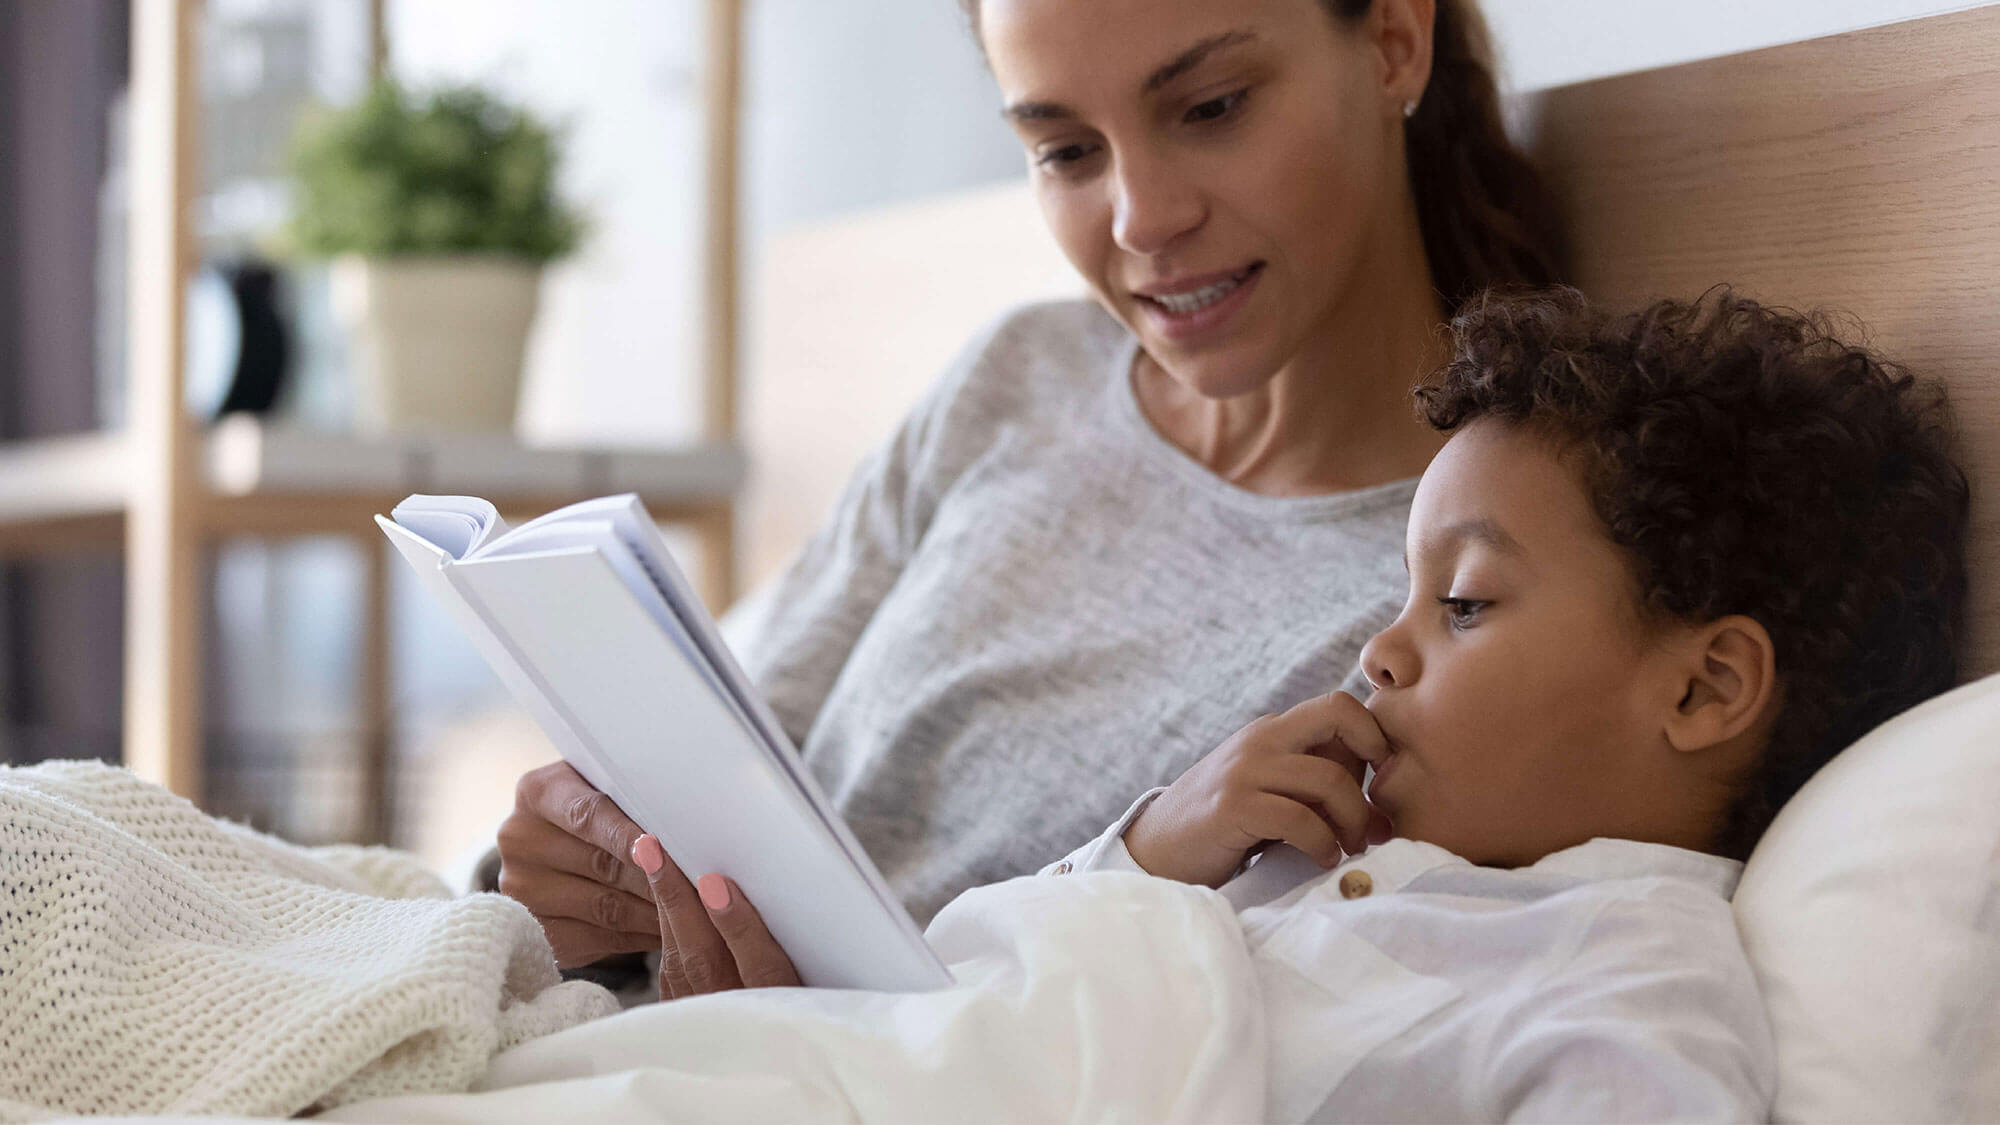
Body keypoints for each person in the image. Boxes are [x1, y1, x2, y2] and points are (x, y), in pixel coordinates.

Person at [493, 0, 1564, 987]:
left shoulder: (1463, 591)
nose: (1140, 220)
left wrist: (814, 1022)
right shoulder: (1018, 378)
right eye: (1063, 150)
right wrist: (581, 870)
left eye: (1210, 108)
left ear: (1390, 39)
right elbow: (727, 761)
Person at [1022, 287, 1969, 1119]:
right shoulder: (1300, 851)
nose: (1378, 652)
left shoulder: (1628, 989)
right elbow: (962, 989)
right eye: (1407, 595)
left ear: (1702, 686)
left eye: (1464, 603)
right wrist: (1145, 856)